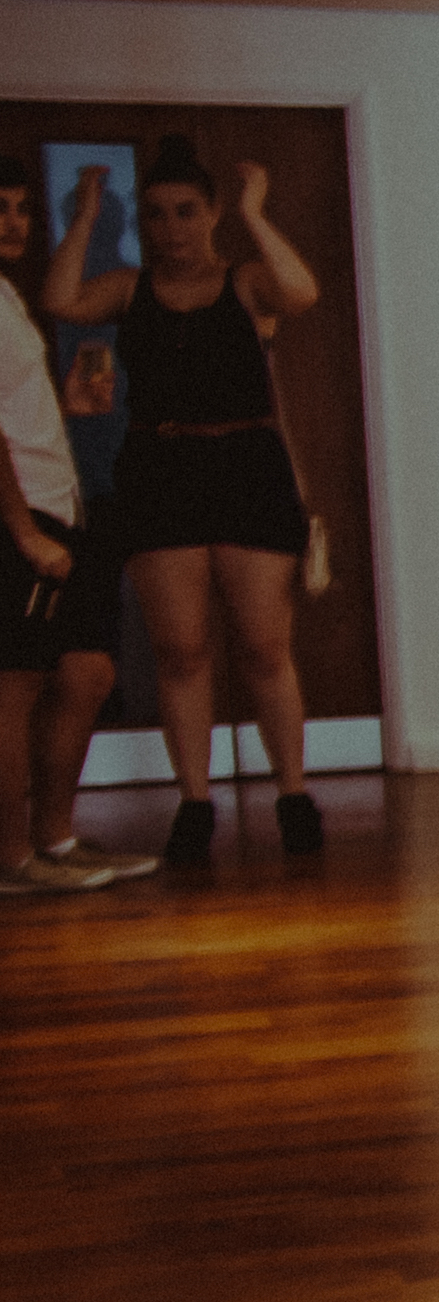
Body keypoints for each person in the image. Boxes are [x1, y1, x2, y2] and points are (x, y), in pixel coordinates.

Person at [40, 148, 326, 868]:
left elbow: (302, 293)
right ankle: (195, 802)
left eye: (187, 212)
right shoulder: (128, 289)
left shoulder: (245, 281)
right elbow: (60, 300)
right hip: (161, 471)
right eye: (157, 214)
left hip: (247, 468)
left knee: (264, 647)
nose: (171, 229)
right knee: (181, 651)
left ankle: (292, 794)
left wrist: (256, 215)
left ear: (212, 213)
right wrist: (87, 217)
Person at [6, 171, 143, 893]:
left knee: (87, 672)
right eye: (0, 208)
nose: (13, 222)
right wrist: (23, 531)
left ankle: (55, 841)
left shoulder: (8, 298)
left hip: (69, 508)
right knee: (16, 686)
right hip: (24, 518)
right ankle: (13, 861)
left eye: (22, 208)